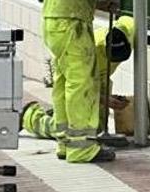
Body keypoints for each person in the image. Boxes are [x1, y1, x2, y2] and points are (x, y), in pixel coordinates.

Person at [40, 0, 124, 164]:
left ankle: (66, 142)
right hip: (70, 23)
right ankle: (83, 147)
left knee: (65, 82)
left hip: (57, 20)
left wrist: (98, 3)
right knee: (82, 83)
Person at [22, 14, 136, 149]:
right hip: (76, 77)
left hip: (100, 77)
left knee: (96, 130)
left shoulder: (129, 28)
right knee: (71, 130)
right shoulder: (88, 52)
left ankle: (93, 131)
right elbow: (82, 89)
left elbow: (133, 23)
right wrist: (104, 99)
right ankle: (31, 117)